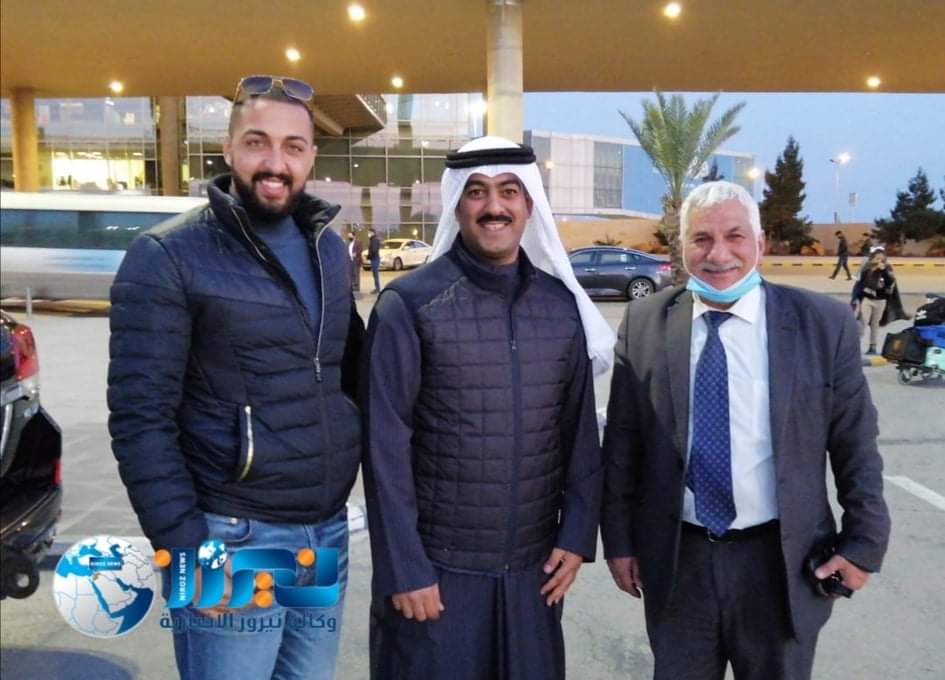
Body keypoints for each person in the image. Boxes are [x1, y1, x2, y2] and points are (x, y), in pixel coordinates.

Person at [108, 75, 364, 680]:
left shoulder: (328, 250)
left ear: (311, 157)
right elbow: (140, 419)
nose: (275, 163)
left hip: (324, 530)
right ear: (227, 149)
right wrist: (185, 548)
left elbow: (342, 374)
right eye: (257, 142)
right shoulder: (168, 255)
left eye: (293, 147)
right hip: (231, 535)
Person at [602, 181, 890, 680]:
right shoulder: (645, 321)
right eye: (701, 239)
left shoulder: (821, 324)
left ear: (759, 242)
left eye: (734, 236)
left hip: (781, 562)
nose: (718, 254)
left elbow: (855, 443)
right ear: (682, 247)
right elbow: (623, 443)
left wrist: (863, 543)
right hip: (679, 561)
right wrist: (620, 541)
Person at [361, 136, 615, 680]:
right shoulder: (409, 305)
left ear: (529, 204)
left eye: (508, 191)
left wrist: (576, 536)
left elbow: (577, 433)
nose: (493, 206)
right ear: (457, 205)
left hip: (532, 575)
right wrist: (405, 569)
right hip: (436, 578)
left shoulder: (560, 306)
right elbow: (384, 448)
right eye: (476, 192)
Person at [853, 248, 901, 354]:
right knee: (863, 321)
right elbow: (859, 285)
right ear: (872, 259)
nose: (879, 261)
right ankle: (855, 346)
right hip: (867, 299)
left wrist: (883, 271)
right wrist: (855, 298)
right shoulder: (867, 269)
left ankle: (873, 347)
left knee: (875, 324)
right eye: (877, 258)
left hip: (880, 301)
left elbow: (890, 282)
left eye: (882, 259)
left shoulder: (887, 269)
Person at [347, 228, 364, 294]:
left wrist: (356, 253)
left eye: (350, 235)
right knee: (351, 274)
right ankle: (352, 286)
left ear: (354, 236)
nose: (349, 237)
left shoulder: (358, 242)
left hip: (356, 260)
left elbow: (360, 249)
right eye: (348, 236)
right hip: (350, 261)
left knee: (356, 274)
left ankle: (357, 287)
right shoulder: (348, 243)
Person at [367, 226, 382, 293]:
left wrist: (368, 257)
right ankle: (377, 288)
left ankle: (377, 289)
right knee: (375, 275)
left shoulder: (374, 240)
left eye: (369, 232)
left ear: (372, 233)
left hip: (375, 259)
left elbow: (374, 250)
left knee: (375, 275)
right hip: (374, 259)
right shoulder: (373, 239)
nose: (368, 234)